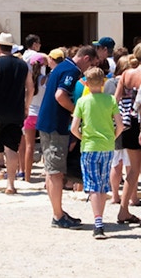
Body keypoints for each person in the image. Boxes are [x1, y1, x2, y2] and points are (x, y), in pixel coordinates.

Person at [36, 44, 98, 228]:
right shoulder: (71, 70)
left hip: (48, 123)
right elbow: (60, 95)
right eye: (92, 64)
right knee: (56, 173)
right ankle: (58, 216)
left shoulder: (62, 66)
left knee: (51, 170)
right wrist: (76, 112)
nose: (89, 69)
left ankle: (59, 212)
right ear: (86, 58)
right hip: (55, 125)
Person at [70, 67, 124, 239]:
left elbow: (73, 128)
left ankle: (98, 223)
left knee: (93, 186)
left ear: (85, 82)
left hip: (89, 147)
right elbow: (120, 125)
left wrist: (83, 137)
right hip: (107, 146)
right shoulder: (110, 100)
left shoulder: (82, 102)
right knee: (102, 185)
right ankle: (100, 220)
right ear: (103, 82)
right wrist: (112, 137)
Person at [0, 32, 33, 195]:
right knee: (11, 147)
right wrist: (26, 107)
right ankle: (10, 184)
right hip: (16, 111)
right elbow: (30, 88)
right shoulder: (24, 65)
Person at [114, 57, 141, 224]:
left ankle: (123, 210)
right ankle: (123, 211)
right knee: (134, 170)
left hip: (128, 125)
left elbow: (114, 100)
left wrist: (117, 123)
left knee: (133, 170)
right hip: (138, 122)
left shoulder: (125, 75)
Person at [21, 52, 48, 182]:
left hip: (30, 114)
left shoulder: (28, 80)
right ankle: (48, 174)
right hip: (42, 115)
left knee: (29, 147)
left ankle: (27, 176)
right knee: (45, 146)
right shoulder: (45, 79)